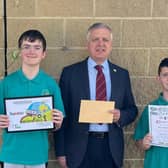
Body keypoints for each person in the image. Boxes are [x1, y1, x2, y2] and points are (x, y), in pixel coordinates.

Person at [54, 22, 138, 168]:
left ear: (111, 45)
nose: (100, 43)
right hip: (79, 150)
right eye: (95, 39)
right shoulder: (70, 73)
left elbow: (132, 109)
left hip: (110, 148)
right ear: (88, 44)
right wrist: (61, 152)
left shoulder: (122, 75)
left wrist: (121, 116)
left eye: (105, 40)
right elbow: (61, 114)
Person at [0, 29, 65, 168]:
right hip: (11, 155)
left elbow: (57, 124)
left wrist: (58, 122)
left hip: (38, 156)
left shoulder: (50, 84)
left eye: (37, 47)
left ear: (43, 54)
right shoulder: (6, 83)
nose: (31, 51)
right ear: (20, 52)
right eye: (26, 47)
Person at [134, 58, 168, 168]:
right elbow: (138, 141)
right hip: (156, 164)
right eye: (165, 75)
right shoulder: (151, 109)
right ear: (158, 78)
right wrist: (143, 143)